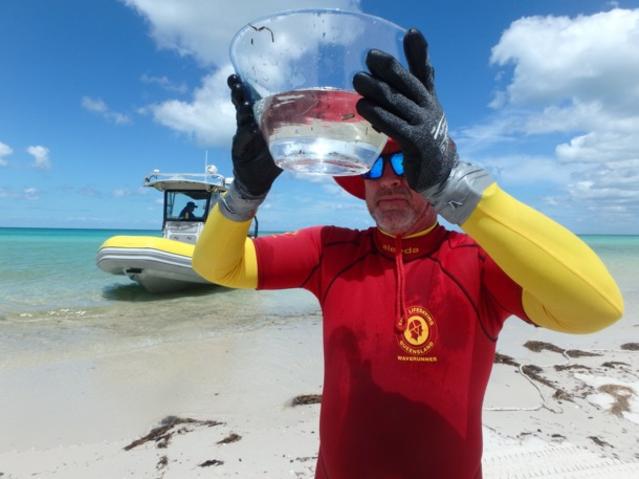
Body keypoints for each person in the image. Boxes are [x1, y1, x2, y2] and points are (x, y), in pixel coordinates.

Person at [193, 28, 624, 479]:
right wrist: (244, 193)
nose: (391, 179)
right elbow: (217, 266)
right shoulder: (330, 251)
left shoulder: (478, 262)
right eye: (375, 166)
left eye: (407, 163)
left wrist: (455, 184)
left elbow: (597, 308)